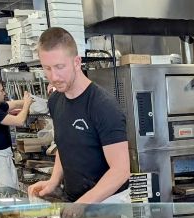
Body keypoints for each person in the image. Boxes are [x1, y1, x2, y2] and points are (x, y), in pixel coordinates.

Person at [28, 27, 131, 204]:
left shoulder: (103, 106)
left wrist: (82, 205)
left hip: (109, 204)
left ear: (77, 62)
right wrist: (54, 180)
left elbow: (120, 171)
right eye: (47, 68)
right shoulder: (55, 101)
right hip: (76, 200)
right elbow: (65, 145)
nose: (54, 76)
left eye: (60, 67)